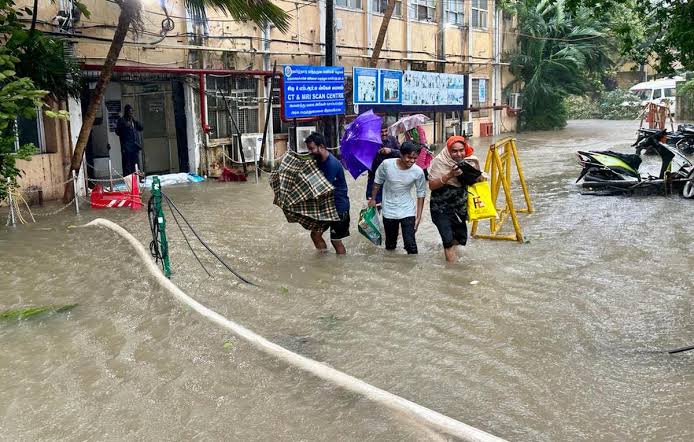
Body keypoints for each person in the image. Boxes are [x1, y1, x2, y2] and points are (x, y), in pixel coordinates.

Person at [428, 135, 481, 263]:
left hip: (460, 207)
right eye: (454, 151)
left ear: (465, 149)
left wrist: (474, 171)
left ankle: (453, 259)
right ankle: (452, 272)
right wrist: (449, 175)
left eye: (461, 150)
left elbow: (477, 181)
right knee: (448, 241)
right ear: (448, 150)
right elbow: (431, 185)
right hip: (440, 208)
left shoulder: (469, 161)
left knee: (460, 239)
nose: (458, 154)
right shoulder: (440, 162)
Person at [368, 142, 426, 254]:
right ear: (401, 154)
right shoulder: (386, 165)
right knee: (390, 245)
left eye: (415, 158)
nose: (412, 161)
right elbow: (377, 182)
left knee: (411, 246)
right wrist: (373, 199)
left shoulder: (418, 172)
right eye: (409, 157)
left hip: (408, 210)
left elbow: (421, 194)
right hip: (389, 210)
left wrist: (418, 217)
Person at [305, 132, 350, 255]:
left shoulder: (332, 164)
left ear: (322, 146)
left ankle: (340, 266)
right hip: (325, 207)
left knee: (335, 241)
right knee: (315, 234)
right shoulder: (318, 160)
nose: (310, 152)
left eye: (312, 148)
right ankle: (323, 262)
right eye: (308, 149)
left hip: (339, 208)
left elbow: (322, 188)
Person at [366, 126, 400, 208]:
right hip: (374, 177)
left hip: (390, 177)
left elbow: (401, 153)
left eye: (386, 131)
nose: (384, 134)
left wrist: (390, 150)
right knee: (374, 204)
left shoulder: (393, 140)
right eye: (381, 132)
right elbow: (366, 157)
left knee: (390, 203)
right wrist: (374, 152)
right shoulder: (371, 142)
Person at [115, 104, 144, 176]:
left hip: (135, 146)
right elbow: (117, 132)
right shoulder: (122, 120)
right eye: (129, 112)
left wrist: (135, 120)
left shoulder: (133, 120)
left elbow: (141, 128)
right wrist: (124, 126)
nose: (131, 114)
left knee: (136, 164)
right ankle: (129, 179)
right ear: (126, 112)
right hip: (127, 146)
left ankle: (138, 177)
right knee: (127, 165)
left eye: (132, 112)